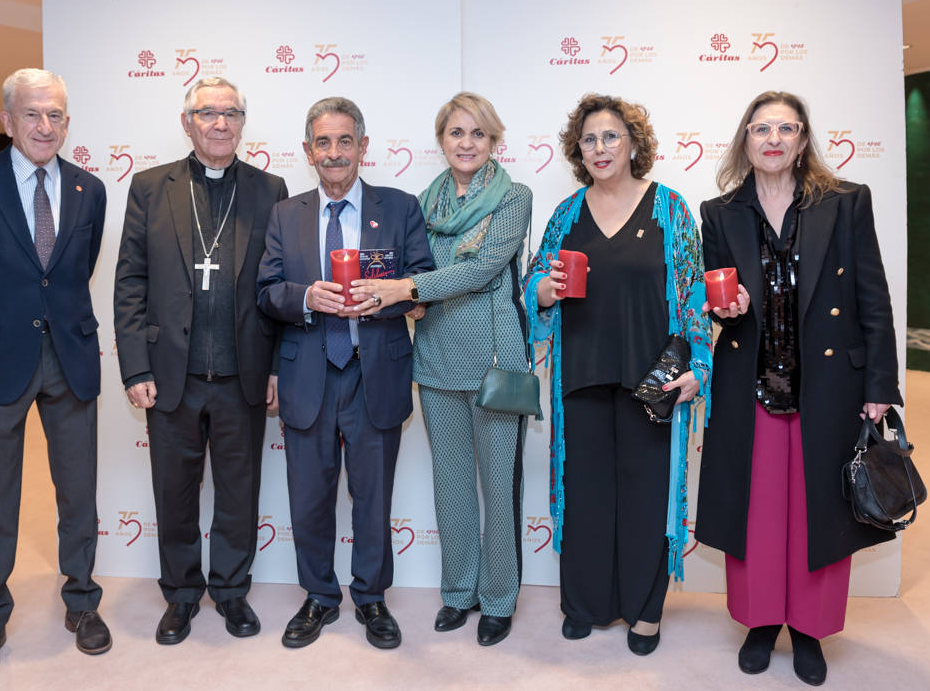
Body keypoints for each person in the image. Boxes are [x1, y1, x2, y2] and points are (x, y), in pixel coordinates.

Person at [696, 90, 902, 686]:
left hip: (830, 385)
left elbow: (874, 299)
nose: (774, 139)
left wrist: (880, 383)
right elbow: (719, 299)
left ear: (804, 140)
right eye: (762, 129)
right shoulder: (720, 212)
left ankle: (809, 630)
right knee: (756, 511)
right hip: (752, 384)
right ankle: (761, 623)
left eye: (787, 128)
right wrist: (727, 310)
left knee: (818, 510)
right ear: (746, 140)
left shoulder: (845, 203)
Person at [0, 68, 110, 679]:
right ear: (8, 120)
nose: (45, 126)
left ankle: (82, 604)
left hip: (71, 356)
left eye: (56, 114)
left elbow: (73, 269)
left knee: (78, 490)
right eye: (33, 114)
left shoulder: (90, 189)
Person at [522, 94, 711, 655]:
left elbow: (695, 295)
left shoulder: (670, 208)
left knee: (645, 495)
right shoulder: (565, 214)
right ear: (577, 151)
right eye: (588, 140)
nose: (600, 148)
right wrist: (545, 293)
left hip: (652, 382)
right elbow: (534, 290)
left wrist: (698, 367)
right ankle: (585, 605)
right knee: (585, 496)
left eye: (611, 137)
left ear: (633, 143)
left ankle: (643, 611)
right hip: (579, 377)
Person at [349, 92, 532, 646]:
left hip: (496, 360)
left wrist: (409, 288)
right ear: (442, 140)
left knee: (499, 489)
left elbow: (478, 271)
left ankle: (499, 597)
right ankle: (460, 592)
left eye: (478, 134)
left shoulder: (514, 198)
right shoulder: (420, 204)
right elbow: (410, 268)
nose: (467, 143)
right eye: (457, 133)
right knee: (451, 485)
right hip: (434, 359)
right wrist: (409, 294)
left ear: (494, 141)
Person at [113, 77, 287, 645]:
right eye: (207, 113)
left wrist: (278, 369)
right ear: (187, 122)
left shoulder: (270, 188)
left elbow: (280, 286)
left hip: (244, 373)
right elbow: (131, 282)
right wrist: (135, 367)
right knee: (175, 491)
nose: (220, 123)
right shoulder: (148, 186)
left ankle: (232, 592)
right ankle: (183, 595)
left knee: (239, 492)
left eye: (231, 113)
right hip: (171, 375)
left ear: (243, 122)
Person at [256, 96, 434, 650]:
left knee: (373, 496)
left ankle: (372, 597)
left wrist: (388, 296)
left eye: (344, 141)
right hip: (308, 372)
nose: (334, 154)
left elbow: (423, 285)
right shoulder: (286, 213)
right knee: (308, 494)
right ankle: (318, 597)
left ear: (362, 146)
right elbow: (266, 292)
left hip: (373, 370)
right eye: (323, 143)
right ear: (308, 150)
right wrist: (307, 296)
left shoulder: (400, 207)